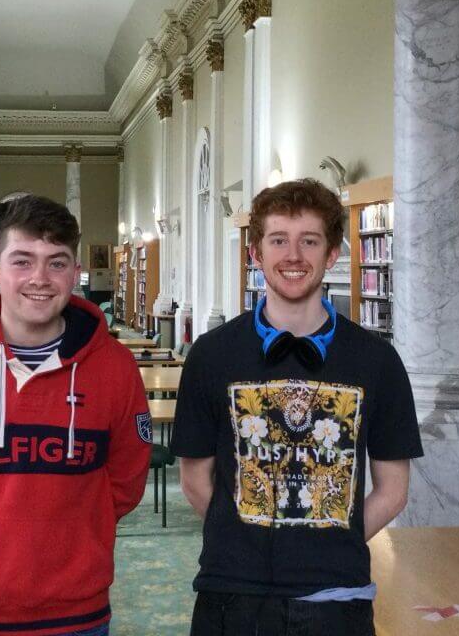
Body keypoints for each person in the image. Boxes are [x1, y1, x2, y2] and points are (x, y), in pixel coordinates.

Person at [171, 178, 423, 635]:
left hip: (336, 596)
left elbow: (393, 490)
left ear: (331, 255)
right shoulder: (211, 355)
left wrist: (327, 541)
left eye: (309, 241)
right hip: (233, 593)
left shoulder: (377, 361)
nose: (293, 255)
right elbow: (194, 479)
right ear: (255, 253)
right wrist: (246, 538)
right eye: (278, 240)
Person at [0, 194, 152, 636]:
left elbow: (126, 481)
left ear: (76, 273)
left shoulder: (115, 367)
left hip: (75, 612)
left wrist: (74, 534)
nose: (40, 278)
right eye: (22, 261)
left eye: (56, 263)